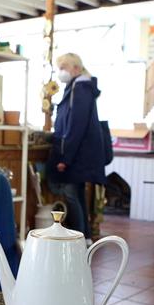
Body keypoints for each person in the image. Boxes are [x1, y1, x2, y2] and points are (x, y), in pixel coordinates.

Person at [47, 53, 105, 242]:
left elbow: (75, 127)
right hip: (81, 152)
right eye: (60, 67)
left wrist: (66, 158)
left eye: (64, 67)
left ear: (76, 69)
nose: (61, 71)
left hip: (77, 153)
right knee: (77, 194)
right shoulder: (78, 88)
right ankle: (85, 236)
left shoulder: (79, 89)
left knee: (72, 195)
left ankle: (80, 239)